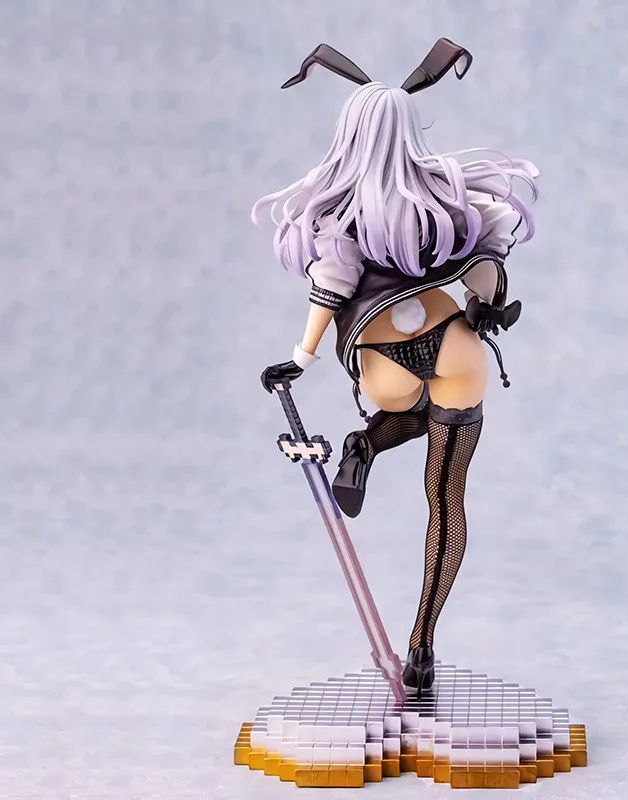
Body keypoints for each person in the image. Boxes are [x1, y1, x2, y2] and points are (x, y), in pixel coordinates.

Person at [253, 39, 539, 691]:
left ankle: (365, 443)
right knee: (446, 499)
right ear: (410, 129)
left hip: (383, 359)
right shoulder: (445, 195)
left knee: (406, 409)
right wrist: (487, 300)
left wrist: (300, 359)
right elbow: (490, 250)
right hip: (456, 343)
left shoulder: (340, 209)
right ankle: (422, 647)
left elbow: (331, 285)